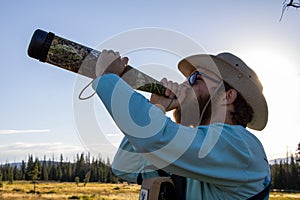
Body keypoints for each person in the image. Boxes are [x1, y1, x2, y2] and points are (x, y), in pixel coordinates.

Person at [92, 50, 271, 199]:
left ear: (227, 96)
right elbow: (125, 165)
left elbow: (156, 139)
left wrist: (108, 77)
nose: (185, 84)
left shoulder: (241, 146)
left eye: (196, 78)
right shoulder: (198, 150)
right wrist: (157, 107)